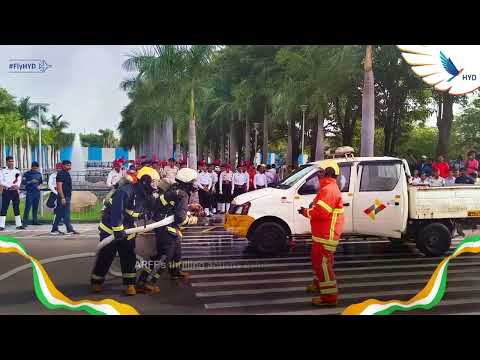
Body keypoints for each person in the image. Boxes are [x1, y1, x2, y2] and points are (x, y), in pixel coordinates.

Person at [91, 166, 160, 296]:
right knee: (106, 255)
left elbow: (153, 211)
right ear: (145, 181)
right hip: (110, 230)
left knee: (129, 257)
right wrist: (118, 230)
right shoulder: (125, 191)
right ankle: (97, 282)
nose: (155, 185)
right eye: (154, 182)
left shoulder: (148, 195)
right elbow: (117, 212)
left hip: (128, 230)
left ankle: (130, 285)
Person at [136, 167, 200, 293]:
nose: (194, 184)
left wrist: (188, 207)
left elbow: (173, 206)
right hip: (166, 228)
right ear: (187, 183)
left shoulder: (175, 189)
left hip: (165, 225)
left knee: (176, 251)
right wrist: (193, 220)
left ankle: (175, 272)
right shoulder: (183, 194)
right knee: (163, 257)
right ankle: (145, 282)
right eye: (193, 182)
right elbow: (180, 219)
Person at [299, 161, 344, 306]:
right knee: (319, 262)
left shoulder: (329, 189)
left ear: (328, 172)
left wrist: (305, 212)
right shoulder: (327, 187)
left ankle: (329, 298)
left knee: (322, 264)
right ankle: (318, 284)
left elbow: (320, 212)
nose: (318, 174)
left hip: (326, 235)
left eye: (320, 172)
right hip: (322, 234)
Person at [50, 160, 79, 235]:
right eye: (67, 165)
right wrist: (62, 197)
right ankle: (69, 229)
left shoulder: (66, 174)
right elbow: (59, 186)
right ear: (63, 166)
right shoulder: (61, 174)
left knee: (59, 214)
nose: (69, 166)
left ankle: (54, 229)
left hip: (67, 196)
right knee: (66, 214)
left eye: (70, 165)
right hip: (63, 197)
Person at [0, 156, 25, 230]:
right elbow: (1, 181)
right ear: (7, 162)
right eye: (10, 161)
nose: (11, 163)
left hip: (15, 191)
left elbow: (19, 179)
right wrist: (10, 186)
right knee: (4, 208)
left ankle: (19, 225)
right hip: (7, 191)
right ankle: (1, 226)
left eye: (12, 161)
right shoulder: (2, 171)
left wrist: (17, 186)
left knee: (16, 208)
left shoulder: (16, 171)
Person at [22, 161, 43, 226]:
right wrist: (30, 181)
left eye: (37, 168)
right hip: (30, 193)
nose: (35, 169)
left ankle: (35, 221)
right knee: (28, 207)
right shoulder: (27, 174)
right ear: (32, 167)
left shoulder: (39, 174)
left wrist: (40, 186)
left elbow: (41, 182)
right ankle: (25, 222)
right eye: (34, 168)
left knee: (35, 207)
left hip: (37, 192)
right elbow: (23, 182)